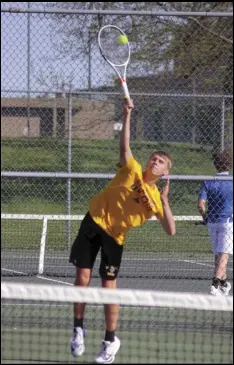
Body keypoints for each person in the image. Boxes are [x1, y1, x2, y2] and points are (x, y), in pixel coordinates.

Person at [69, 98, 176, 364]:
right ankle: (78, 329)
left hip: (114, 238)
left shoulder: (154, 199)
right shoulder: (132, 168)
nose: (155, 160)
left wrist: (164, 202)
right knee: (82, 278)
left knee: (108, 288)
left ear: (165, 172)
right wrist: (127, 114)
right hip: (93, 221)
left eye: (161, 161)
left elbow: (171, 230)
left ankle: (110, 339)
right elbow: (125, 145)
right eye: (154, 157)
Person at [197, 150, 233, 296]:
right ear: (229, 165)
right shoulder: (231, 181)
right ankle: (215, 284)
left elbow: (200, 204)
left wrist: (205, 217)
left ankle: (224, 284)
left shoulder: (208, 181)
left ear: (215, 164)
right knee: (224, 255)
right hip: (228, 222)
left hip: (212, 223)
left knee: (219, 255)